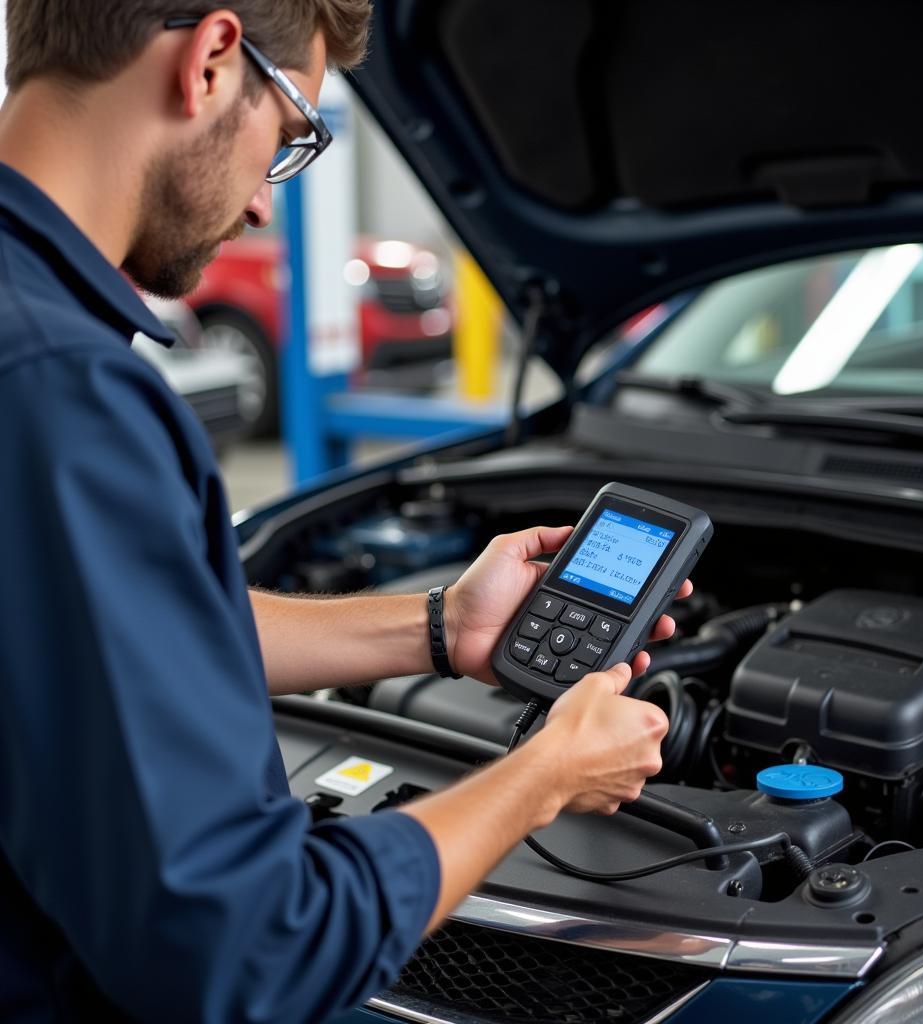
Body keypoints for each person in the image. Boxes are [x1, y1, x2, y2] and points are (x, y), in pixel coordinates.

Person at [0, 2, 686, 1020]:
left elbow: (95, 635)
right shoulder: (66, 394)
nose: (266, 208)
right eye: (290, 136)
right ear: (212, 61)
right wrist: (543, 776)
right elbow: (245, 951)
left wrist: (441, 624)